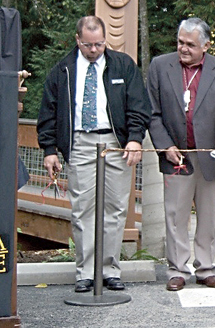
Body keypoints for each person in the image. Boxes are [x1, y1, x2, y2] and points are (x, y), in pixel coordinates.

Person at [37, 16, 151, 293]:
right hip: (79, 142)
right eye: (88, 44)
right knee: (83, 209)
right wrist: (49, 149)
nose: (94, 49)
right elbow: (48, 112)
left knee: (115, 208)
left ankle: (110, 269)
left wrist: (135, 139)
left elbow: (138, 105)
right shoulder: (63, 70)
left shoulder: (123, 65)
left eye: (99, 43)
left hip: (115, 141)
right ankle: (85, 272)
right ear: (78, 40)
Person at [146, 17, 215, 292]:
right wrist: (165, 146)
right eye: (180, 42)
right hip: (176, 153)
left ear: (206, 46)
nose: (183, 48)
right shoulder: (160, 66)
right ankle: (177, 270)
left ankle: (206, 268)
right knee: (175, 214)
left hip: (211, 152)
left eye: (190, 44)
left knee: (210, 215)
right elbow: (153, 112)